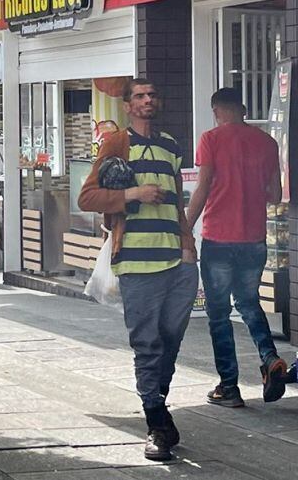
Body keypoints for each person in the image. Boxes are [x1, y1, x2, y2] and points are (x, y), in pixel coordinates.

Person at [78, 78, 198, 462]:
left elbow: (178, 202)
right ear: (127, 106)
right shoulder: (117, 144)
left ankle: (157, 405)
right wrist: (133, 194)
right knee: (147, 344)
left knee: (171, 340)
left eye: (153, 94)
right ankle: (156, 423)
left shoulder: (171, 146)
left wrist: (188, 246)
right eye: (140, 96)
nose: (148, 100)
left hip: (177, 262)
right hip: (135, 259)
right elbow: (88, 196)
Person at [185, 87, 287, 407]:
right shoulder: (267, 143)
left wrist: (183, 229)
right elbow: (275, 194)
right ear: (242, 108)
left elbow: (201, 190)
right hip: (254, 239)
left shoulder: (211, 139)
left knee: (218, 314)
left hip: (219, 238)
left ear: (216, 111)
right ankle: (270, 358)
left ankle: (229, 386)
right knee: (248, 302)